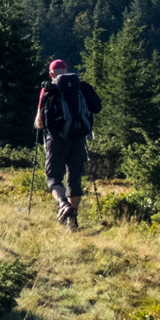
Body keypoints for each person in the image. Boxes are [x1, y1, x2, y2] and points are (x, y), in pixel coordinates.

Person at [35, 58, 102, 230]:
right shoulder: (80, 87)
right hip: (79, 138)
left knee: (53, 178)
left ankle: (63, 205)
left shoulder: (49, 89)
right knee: (74, 180)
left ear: (51, 74)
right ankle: (72, 221)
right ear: (66, 70)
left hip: (57, 140)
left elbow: (40, 123)